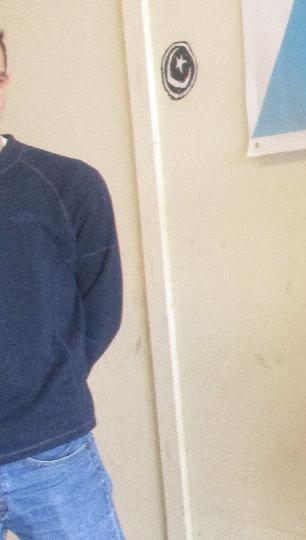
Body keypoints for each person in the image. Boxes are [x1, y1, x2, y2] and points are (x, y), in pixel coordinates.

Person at [0, 29, 125, 538]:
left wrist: (44, 394)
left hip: (55, 457)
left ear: (4, 80)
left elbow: (101, 312)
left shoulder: (69, 186)